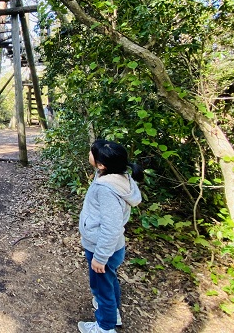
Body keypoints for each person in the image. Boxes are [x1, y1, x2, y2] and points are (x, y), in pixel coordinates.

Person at [78, 140, 143, 333]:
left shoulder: (106, 189)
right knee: (106, 282)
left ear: (101, 165)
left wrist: (100, 257)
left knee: (103, 288)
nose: (89, 153)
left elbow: (111, 227)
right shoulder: (117, 176)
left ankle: (105, 327)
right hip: (108, 246)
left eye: (92, 153)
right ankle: (111, 312)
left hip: (103, 248)